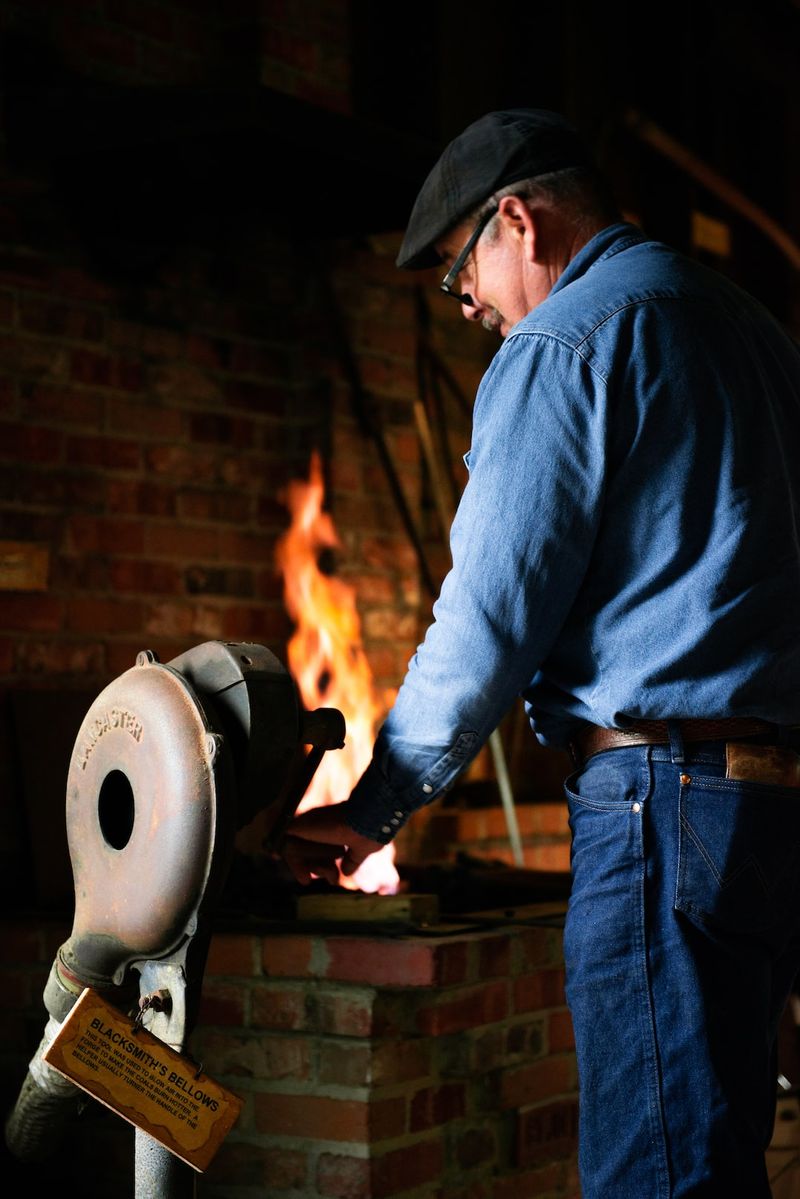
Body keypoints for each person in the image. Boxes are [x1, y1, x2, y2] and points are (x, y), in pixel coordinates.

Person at [281, 108, 800, 1197]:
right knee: (720, 1152)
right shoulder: (751, 324)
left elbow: (487, 616)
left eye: (457, 270)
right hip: (767, 804)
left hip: (658, 801)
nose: (463, 301)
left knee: (657, 1173)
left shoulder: (564, 341)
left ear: (517, 220)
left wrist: (374, 805)